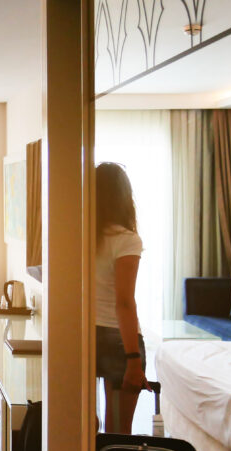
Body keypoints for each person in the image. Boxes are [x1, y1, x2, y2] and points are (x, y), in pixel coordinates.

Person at [95, 162, 147, 434]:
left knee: (82, 428)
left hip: (85, 337)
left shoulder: (79, 237)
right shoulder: (126, 240)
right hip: (118, 341)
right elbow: (124, 303)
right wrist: (134, 360)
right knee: (117, 433)